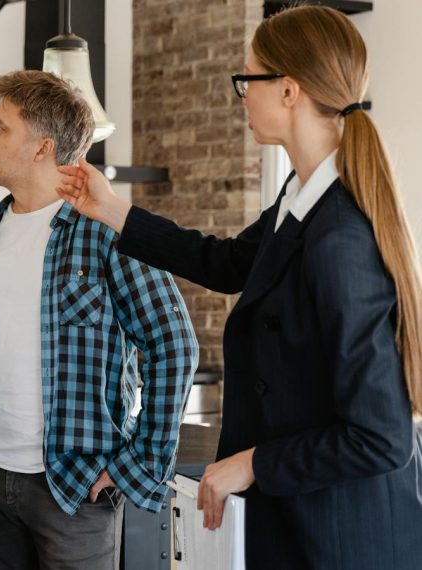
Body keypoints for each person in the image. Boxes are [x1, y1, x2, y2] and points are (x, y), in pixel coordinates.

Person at [56, 6, 422, 569]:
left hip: (342, 539)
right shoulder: (299, 203)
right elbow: (225, 263)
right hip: (298, 520)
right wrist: (111, 210)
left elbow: (380, 439)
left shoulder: (340, 238)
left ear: (289, 90)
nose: (242, 95)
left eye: (247, 80)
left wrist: (253, 463)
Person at [0, 70, 198, 569]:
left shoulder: (106, 231)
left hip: (76, 485)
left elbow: (174, 343)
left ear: (42, 147)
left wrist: (139, 461)